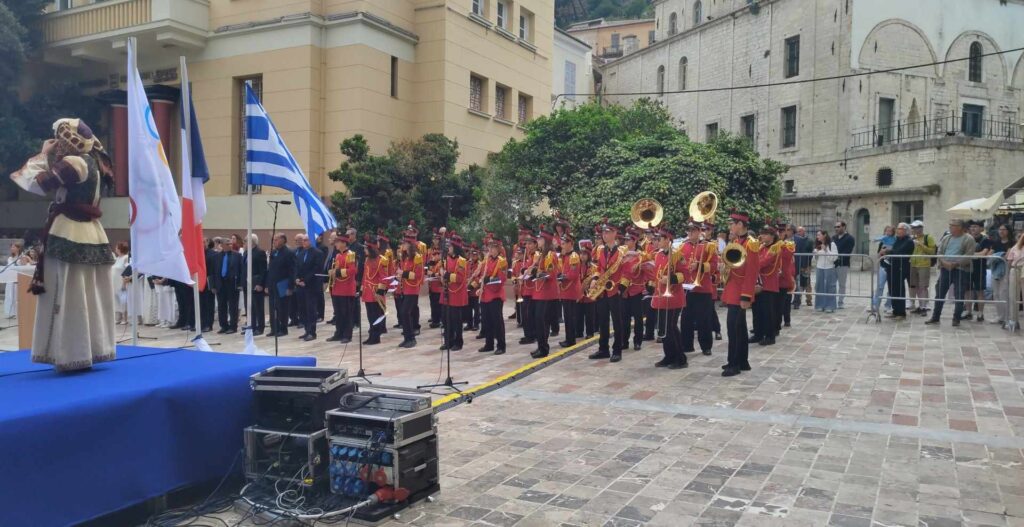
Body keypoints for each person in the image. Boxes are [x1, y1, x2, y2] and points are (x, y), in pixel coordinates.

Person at [9, 118, 116, 371]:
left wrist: (42, 154)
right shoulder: (96, 162)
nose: (56, 145)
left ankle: (69, 355)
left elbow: (39, 183)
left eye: (58, 138)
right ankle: (89, 350)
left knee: (66, 296)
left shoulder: (75, 162)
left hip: (68, 230)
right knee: (86, 295)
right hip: (91, 232)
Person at [721, 212, 759, 377]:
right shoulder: (736, 242)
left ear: (741, 224)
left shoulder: (752, 244)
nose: (730, 227)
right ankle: (742, 361)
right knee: (740, 328)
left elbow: (751, 273)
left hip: (741, 291)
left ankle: (734, 364)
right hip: (732, 288)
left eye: (732, 224)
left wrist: (746, 296)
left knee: (733, 328)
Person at [588, 220, 628, 363]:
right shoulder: (600, 250)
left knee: (617, 322)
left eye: (608, 232)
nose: (604, 235)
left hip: (614, 290)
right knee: (603, 321)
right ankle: (603, 349)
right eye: (603, 232)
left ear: (615, 233)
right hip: (602, 291)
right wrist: (595, 278)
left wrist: (620, 289)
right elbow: (599, 268)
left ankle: (617, 350)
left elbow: (626, 272)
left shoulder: (622, 251)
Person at [925, 219, 976, 326]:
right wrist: (943, 262)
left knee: (959, 294)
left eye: (953, 225)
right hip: (945, 269)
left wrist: (955, 264)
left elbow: (969, 255)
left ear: (960, 227)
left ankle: (956, 318)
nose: (950, 227)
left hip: (960, 270)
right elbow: (939, 251)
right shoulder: (946, 238)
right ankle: (935, 317)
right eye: (950, 225)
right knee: (940, 293)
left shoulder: (969, 239)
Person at [651, 226, 687, 369]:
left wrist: (670, 279)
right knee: (662, 328)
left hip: (674, 296)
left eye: (659, 239)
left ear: (667, 240)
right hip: (661, 295)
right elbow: (657, 273)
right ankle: (669, 355)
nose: (656, 241)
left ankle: (680, 358)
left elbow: (684, 275)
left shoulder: (677, 254)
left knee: (671, 327)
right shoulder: (658, 255)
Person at [681, 221, 718, 355]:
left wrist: (700, 266)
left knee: (704, 319)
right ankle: (687, 345)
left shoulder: (708, 246)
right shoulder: (682, 246)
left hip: (703, 287)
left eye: (693, 230)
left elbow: (714, 266)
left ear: (699, 231)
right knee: (686, 319)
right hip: (687, 287)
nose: (690, 233)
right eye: (688, 230)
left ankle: (706, 346)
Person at [530, 227, 560, 358]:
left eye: (540, 238)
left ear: (546, 241)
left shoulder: (550, 255)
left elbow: (551, 273)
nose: (538, 240)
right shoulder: (541, 254)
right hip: (540, 290)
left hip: (547, 292)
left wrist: (538, 273)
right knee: (539, 320)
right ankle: (541, 346)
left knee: (542, 320)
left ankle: (543, 348)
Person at [752, 224, 780, 346]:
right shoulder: (762, 247)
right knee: (756, 311)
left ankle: (770, 336)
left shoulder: (774, 248)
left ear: (772, 236)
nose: (761, 236)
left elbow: (762, 262)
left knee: (768, 313)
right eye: (761, 233)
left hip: (768, 284)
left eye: (765, 234)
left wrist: (752, 260)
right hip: (758, 284)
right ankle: (758, 334)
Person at [478, 236, 507, 355]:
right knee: (486, 321)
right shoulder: (486, 261)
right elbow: (480, 275)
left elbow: (501, 279)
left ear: (498, 249)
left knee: (497, 321)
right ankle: (489, 344)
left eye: (493, 247)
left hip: (496, 294)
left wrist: (488, 279)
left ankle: (501, 345)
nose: (491, 250)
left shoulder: (502, 261)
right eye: (490, 247)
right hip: (485, 294)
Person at [327, 233, 357, 343]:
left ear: (344, 243)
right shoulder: (338, 255)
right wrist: (332, 272)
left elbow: (352, 270)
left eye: (338, 242)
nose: (336, 244)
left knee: (347, 313)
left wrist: (337, 272)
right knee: (338, 313)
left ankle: (347, 335)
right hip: (337, 287)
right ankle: (338, 332)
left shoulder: (351, 254)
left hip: (347, 289)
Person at [440, 232, 469, 351]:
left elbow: (460, 278)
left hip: (456, 293)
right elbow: (441, 273)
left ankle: (458, 341)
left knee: (456, 320)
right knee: (446, 319)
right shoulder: (446, 259)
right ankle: (448, 341)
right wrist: (442, 274)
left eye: (451, 247)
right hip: (447, 292)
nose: (449, 249)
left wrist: (446, 275)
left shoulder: (461, 261)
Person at [396, 231, 425, 348]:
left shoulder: (417, 258)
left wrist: (404, 273)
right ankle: (407, 337)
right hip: (405, 288)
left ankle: (411, 338)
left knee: (405, 312)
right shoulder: (405, 257)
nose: (403, 245)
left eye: (405, 243)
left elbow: (418, 275)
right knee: (404, 313)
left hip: (413, 289)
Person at [620, 228, 647, 351]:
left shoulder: (641, 256)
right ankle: (624, 341)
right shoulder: (621, 254)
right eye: (625, 239)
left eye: (628, 240)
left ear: (634, 241)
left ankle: (638, 341)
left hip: (636, 289)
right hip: (624, 289)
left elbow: (646, 271)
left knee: (638, 318)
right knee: (624, 318)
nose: (625, 242)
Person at [882, 223, 915, 320]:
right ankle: (895, 310)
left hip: (901, 268)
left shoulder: (908, 241)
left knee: (899, 289)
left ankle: (901, 312)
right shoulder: (897, 240)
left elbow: (899, 251)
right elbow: (894, 249)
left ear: (905, 230)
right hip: (892, 267)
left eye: (900, 229)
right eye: (897, 228)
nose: (897, 230)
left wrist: (887, 251)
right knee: (892, 289)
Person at [295, 233, 324, 341]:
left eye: (306, 240)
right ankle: (306, 330)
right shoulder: (300, 254)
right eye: (303, 240)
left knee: (311, 309)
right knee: (303, 309)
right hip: (301, 286)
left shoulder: (318, 253)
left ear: (311, 240)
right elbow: (297, 268)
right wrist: (297, 279)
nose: (304, 242)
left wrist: (305, 281)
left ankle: (312, 332)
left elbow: (316, 269)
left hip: (311, 285)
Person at [265, 233, 295, 337]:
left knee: (282, 308)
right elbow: (270, 270)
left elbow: (292, 271)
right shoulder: (274, 252)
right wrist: (267, 285)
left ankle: (283, 329)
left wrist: (290, 287)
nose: (274, 242)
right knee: (273, 307)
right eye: (273, 240)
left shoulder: (288, 253)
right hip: (272, 285)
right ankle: (274, 328)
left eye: (276, 240)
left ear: (283, 240)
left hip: (282, 285)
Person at [212, 236, 242, 334]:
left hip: (232, 284)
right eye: (228, 244)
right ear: (223, 245)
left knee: (233, 306)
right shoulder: (216, 256)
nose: (230, 245)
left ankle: (233, 326)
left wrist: (240, 284)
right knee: (221, 306)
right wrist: (213, 286)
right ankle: (223, 326)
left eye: (230, 244)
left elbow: (241, 271)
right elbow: (214, 272)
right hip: (220, 284)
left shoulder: (237, 256)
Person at [965, 221, 992, 322]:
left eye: (975, 227)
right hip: (967, 267)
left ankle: (980, 313)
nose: (973, 229)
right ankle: (968, 312)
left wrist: (970, 254)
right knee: (967, 290)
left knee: (980, 290)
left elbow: (984, 253)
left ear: (981, 228)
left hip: (979, 268)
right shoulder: (966, 238)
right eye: (971, 227)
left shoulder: (985, 239)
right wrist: (974, 254)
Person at [558, 233, 581, 348]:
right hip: (565, 289)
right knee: (567, 316)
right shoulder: (565, 256)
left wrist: (563, 277)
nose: (561, 245)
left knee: (570, 316)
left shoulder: (574, 256)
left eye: (563, 243)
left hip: (571, 289)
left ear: (570, 243)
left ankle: (571, 339)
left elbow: (574, 274)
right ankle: (568, 338)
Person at [908, 221, 936, 316]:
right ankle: (919, 306)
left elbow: (932, 252)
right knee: (914, 285)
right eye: (913, 228)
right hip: (913, 264)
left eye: (916, 227)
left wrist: (920, 245)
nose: (914, 229)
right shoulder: (912, 238)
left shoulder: (928, 237)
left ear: (921, 228)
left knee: (923, 286)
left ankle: (924, 306)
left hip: (924, 264)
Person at [989, 223, 1013, 326]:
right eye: (1000, 229)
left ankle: (1006, 316)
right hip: (995, 270)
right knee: (996, 294)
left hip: (1006, 271)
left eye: (1003, 229)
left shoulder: (1012, 243)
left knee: (1004, 293)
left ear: (1008, 231)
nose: (1001, 231)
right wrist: (999, 256)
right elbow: (990, 255)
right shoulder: (996, 243)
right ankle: (1000, 316)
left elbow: (1007, 256)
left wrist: (998, 256)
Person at [518, 235, 538, 345]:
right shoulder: (528, 256)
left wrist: (525, 270)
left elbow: (533, 270)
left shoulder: (536, 256)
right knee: (525, 313)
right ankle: (528, 334)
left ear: (535, 244)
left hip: (532, 288)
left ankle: (531, 335)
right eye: (527, 244)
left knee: (529, 313)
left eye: (530, 243)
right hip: (526, 287)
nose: (528, 246)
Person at [246, 234, 268, 335]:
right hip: (247, 283)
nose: (245, 243)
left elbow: (263, 270)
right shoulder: (246, 252)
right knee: (250, 307)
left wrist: (260, 284)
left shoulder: (260, 252)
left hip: (256, 283)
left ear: (252, 241)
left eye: (246, 241)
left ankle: (260, 327)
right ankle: (252, 326)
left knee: (258, 307)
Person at [871, 225, 896, 313]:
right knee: (879, 286)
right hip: (883, 266)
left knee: (891, 287)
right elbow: (878, 255)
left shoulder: (895, 241)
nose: (888, 233)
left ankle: (888, 305)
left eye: (890, 231)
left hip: (893, 267)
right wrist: (881, 252)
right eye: (886, 231)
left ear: (893, 232)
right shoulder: (882, 242)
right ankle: (875, 305)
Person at [813, 230, 838, 313]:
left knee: (830, 287)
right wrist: (815, 254)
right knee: (819, 286)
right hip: (819, 267)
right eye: (817, 235)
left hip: (829, 267)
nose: (817, 236)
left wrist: (826, 251)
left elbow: (834, 258)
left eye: (819, 235)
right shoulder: (817, 245)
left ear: (825, 235)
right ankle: (819, 305)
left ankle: (830, 306)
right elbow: (814, 260)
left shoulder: (832, 244)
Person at [577, 242, 597, 339]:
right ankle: (579, 331)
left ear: (589, 255)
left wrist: (589, 284)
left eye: (584, 254)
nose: (582, 256)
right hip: (579, 293)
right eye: (581, 253)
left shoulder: (593, 267)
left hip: (589, 294)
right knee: (578, 314)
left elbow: (595, 278)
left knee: (589, 315)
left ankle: (590, 332)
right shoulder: (577, 265)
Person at [833, 221, 855, 309]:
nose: (836, 228)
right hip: (833, 264)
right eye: (835, 227)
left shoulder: (850, 238)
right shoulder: (833, 237)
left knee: (842, 284)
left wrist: (837, 257)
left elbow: (848, 251)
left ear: (844, 227)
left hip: (843, 264)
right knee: (832, 284)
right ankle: (832, 301)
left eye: (838, 227)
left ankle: (840, 302)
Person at [777, 223, 795, 328]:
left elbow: (789, 260)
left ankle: (787, 319)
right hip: (776, 277)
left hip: (785, 275)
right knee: (778, 302)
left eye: (781, 232)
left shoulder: (788, 244)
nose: (779, 234)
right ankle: (777, 322)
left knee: (786, 300)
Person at [792, 226, 814, 308]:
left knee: (807, 282)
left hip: (806, 264)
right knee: (798, 283)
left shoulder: (809, 240)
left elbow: (810, 254)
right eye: (797, 231)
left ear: (804, 231)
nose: (798, 233)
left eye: (800, 231)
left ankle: (809, 300)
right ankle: (798, 299)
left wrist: (806, 264)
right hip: (797, 264)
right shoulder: (795, 240)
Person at [199, 237, 216, 332]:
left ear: (207, 243)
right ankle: (202, 323)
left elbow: (214, 270)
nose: (202, 244)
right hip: (200, 281)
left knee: (209, 304)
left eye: (204, 242)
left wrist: (213, 284)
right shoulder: (197, 253)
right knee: (201, 304)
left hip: (209, 281)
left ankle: (209, 324)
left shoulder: (212, 254)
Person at [320, 230, 338, 324]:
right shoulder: (332, 250)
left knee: (336, 299)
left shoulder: (337, 251)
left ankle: (338, 316)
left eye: (330, 238)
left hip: (336, 279)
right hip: (330, 278)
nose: (328, 239)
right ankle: (335, 315)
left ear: (335, 239)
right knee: (333, 299)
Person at [112, 241, 130, 325]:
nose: (115, 249)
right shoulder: (117, 258)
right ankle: (118, 317)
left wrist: (125, 282)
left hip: (121, 282)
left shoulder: (125, 258)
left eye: (116, 247)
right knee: (116, 300)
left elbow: (127, 269)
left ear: (120, 249)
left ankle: (125, 318)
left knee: (123, 300)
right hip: (114, 282)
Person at [4, 242, 23, 318]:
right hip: (9, 279)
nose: (12, 249)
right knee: (9, 295)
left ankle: (16, 312)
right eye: (11, 247)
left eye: (14, 247)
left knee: (16, 296)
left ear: (18, 248)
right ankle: (10, 312)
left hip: (17, 279)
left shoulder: (21, 257)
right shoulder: (9, 258)